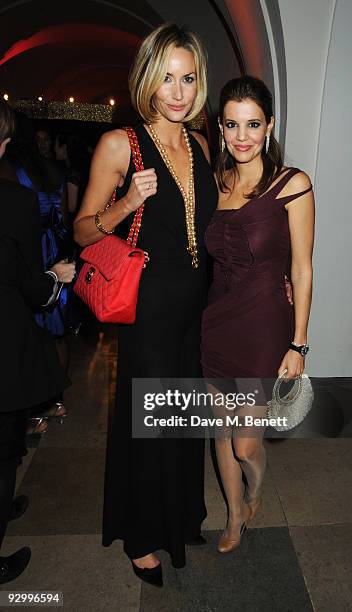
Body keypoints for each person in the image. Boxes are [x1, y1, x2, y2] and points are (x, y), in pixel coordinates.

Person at [74, 23, 217, 587]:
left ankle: (179, 514)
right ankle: (141, 535)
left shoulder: (202, 143)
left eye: (188, 79)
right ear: (147, 81)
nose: (178, 92)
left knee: (183, 422)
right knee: (150, 423)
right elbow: (83, 229)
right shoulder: (120, 144)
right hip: (149, 308)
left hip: (195, 309)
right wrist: (127, 200)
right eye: (167, 79)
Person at [201, 76, 315, 553]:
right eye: (232, 124)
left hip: (266, 325)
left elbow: (303, 268)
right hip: (214, 323)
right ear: (221, 128)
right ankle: (232, 516)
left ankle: (255, 489)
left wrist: (299, 343)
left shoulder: (293, 184)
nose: (242, 136)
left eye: (252, 124)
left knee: (246, 443)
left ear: (268, 126)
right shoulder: (214, 183)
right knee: (220, 432)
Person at [0, 100, 76, 583]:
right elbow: (30, 287)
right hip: (4, 344)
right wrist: (56, 275)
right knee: (5, 450)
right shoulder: (14, 201)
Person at [0, 113, 72, 431]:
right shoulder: (50, 171)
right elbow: (65, 217)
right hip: (48, 249)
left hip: (32, 250)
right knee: (51, 327)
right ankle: (50, 399)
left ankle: (40, 404)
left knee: (36, 327)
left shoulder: (15, 174)